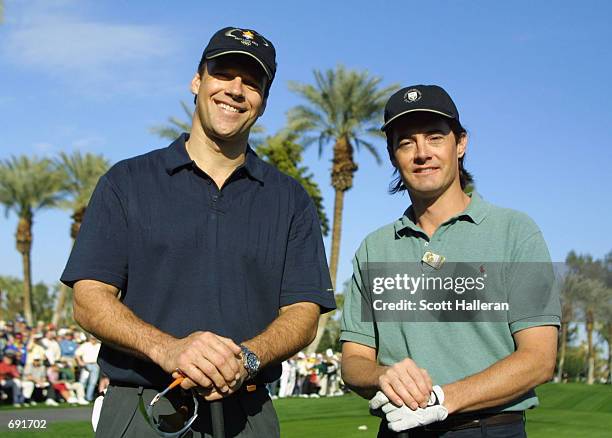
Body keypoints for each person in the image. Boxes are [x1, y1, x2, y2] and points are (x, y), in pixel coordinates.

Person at [61, 26, 334, 438]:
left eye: (252, 81)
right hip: (143, 407)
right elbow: (89, 300)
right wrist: (167, 349)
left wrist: (248, 358)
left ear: (263, 100)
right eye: (223, 73)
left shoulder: (289, 199)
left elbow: (303, 313)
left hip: (249, 413)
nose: (236, 90)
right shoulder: (127, 182)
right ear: (197, 80)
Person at [340, 85, 561, 437]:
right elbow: (353, 362)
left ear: (460, 144)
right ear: (393, 154)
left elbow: (539, 359)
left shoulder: (516, 231)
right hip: (400, 428)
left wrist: (444, 399)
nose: (421, 153)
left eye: (434, 137)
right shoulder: (374, 247)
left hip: (489, 428)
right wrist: (381, 375)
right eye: (406, 142)